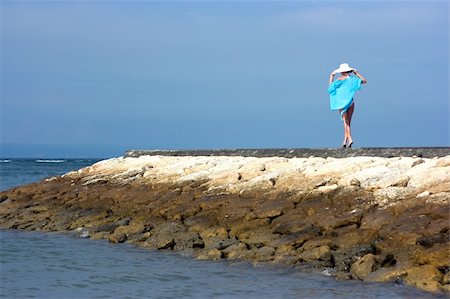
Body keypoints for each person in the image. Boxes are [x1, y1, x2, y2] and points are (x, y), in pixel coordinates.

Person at [328, 63, 367, 148]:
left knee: (346, 122)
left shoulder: (339, 80)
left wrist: (331, 76)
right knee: (348, 122)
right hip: (350, 102)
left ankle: (350, 138)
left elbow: (330, 88)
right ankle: (345, 141)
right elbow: (364, 81)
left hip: (342, 103)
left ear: (341, 71)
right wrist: (356, 73)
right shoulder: (352, 79)